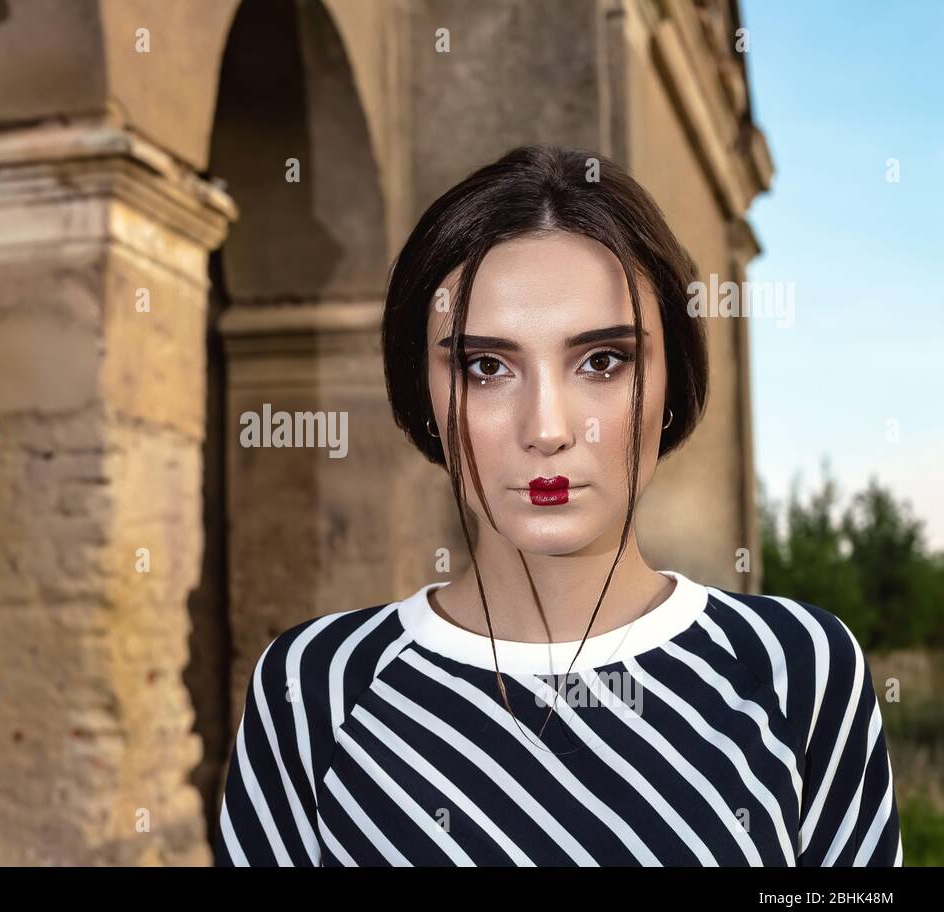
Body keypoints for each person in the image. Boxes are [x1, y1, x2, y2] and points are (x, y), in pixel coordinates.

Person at [213, 145, 903, 867]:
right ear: (422, 393)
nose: (547, 428)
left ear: (675, 380)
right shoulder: (314, 684)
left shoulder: (797, 667)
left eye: (603, 361)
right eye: (486, 367)